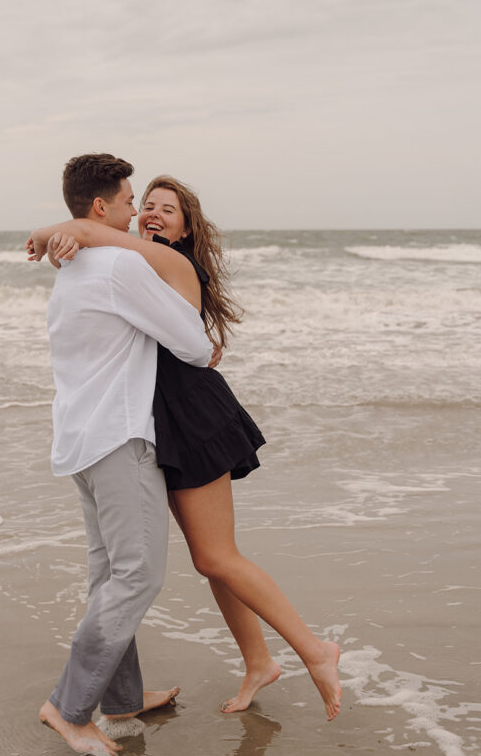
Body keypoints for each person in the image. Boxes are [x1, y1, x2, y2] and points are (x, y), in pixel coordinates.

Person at [28, 176, 342, 722]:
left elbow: (96, 236)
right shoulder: (138, 260)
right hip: (162, 419)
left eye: (166, 210)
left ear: (187, 225)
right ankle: (258, 661)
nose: (151, 214)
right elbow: (96, 254)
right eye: (144, 205)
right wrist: (69, 242)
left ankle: (316, 651)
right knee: (210, 560)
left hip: (193, 417)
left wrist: (70, 232)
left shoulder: (171, 264)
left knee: (216, 556)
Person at [32, 155, 213, 756]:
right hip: (119, 440)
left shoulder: (74, 266)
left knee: (110, 575)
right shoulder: (117, 265)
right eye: (130, 200)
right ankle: (69, 706)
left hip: (79, 442)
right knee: (138, 575)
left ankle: (122, 698)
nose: (138, 211)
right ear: (102, 208)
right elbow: (192, 343)